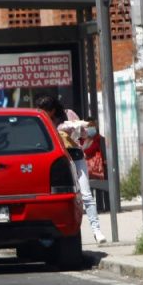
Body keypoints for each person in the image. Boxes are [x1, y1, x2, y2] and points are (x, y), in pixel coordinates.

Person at [36, 95, 107, 244]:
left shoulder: (68, 115)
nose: (42, 113)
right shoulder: (41, 120)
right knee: (52, 198)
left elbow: (86, 133)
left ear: (53, 110)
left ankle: (97, 230)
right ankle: (48, 234)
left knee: (86, 195)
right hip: (57, 162)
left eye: (45, 110)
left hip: (75, 156)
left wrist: (82, 128)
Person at [80, 117, 110, 212]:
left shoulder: (99, 139)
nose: (90, 128)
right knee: (90, 187)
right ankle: (95, 208)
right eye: (89, 126)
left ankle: (105, 207)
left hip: (99, 167)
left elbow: (91, 150)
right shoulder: (83, 140)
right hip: (88, 168)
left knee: (102, 187)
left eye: (92, 126)